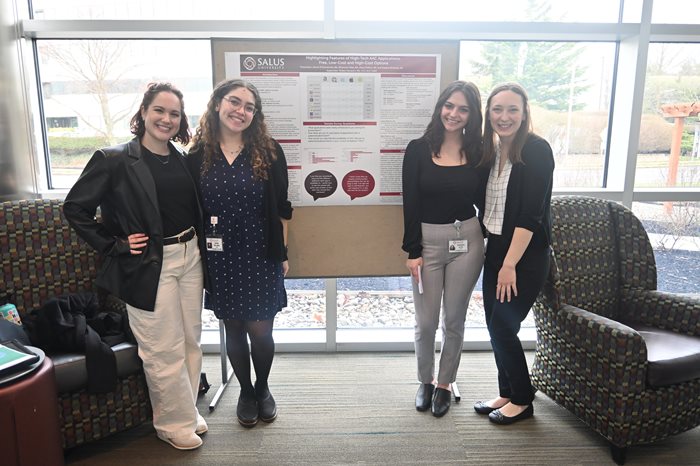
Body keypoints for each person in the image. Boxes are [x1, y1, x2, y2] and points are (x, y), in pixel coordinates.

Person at [63, 82, 209, 450]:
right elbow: (75, 208)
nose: (166, 119)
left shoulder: (180, 157)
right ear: (143, 112)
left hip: (189, 256)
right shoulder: (113, 159)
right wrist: (113, 244)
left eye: (174, 113)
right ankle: (172, 423)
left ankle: (187, 411)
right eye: (159, 110)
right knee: (163, 346)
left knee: (192, 339)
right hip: (148, 262)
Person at [187, 79, 292, 428]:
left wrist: (283, 252)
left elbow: (282, 209)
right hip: (220, 257)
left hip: (262, 252)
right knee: (233, 328)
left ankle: (262, 388)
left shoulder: (270, 151)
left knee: (261, 330)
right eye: (235, 102)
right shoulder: (198, 155)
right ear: (217, 103)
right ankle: (245, 391)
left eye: (249, 107)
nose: (241, 111)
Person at [402, 80, 487, 417]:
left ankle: (445, 383)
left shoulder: (479, 151)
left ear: (471, 115)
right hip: (427, 242)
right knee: (425, 323)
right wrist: (413, 250)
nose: (454, 113)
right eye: (449, 106)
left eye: (463, 109)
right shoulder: (418, 149)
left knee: (454, 319)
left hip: (468, 239)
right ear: (440, 108)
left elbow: (485, 200)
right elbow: (410, 202)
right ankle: (425, 380)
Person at [472, 83, 554, 425]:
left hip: (525, 254)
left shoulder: (536, 150)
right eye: (497, 109)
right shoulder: (490, 151)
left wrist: (509, 264)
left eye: (512, 110)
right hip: (496, 248)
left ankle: (522, 399)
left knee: (504, 325)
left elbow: (530, 215)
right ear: (488, 114)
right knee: (495, 325)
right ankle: (507, 391)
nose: (504, 117)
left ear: (524, 113)